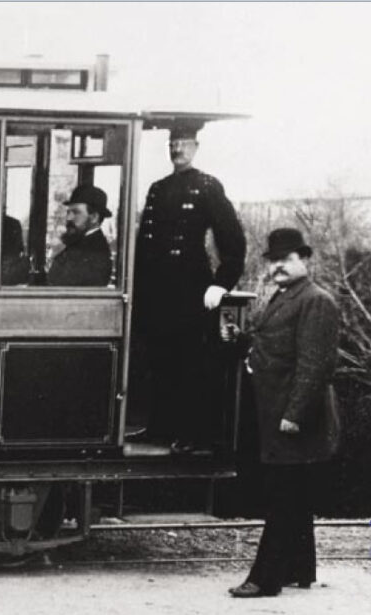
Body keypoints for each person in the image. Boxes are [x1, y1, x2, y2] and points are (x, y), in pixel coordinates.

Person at [223, 228, 340, 598]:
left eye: (286, 260)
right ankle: (298, 569)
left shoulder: (316, 301)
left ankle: (265, 578)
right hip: (278, 410)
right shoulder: (287, 297)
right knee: (296, 495)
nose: (278, 267)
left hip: (293, 415)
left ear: (304, 260)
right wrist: (243, 342)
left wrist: (294, 414)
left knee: (283, 496)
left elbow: (314, 365)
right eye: (274, 261)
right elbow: (274, 345)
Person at [130, 122, 247, 453]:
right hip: (156, 291)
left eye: (183, 143)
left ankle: (193, 433)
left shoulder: (207, 186)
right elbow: (144, 245)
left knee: (189, 364)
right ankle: (160, 427)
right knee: (159, 361)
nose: (177, 149)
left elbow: (233, 243)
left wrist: (220, 284)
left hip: (189, 291)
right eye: (172, 143)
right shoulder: (157, 188)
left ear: (196, 146)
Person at [47, 184, 113, 286]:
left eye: (75, 212)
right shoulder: (78, 242)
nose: (68, 218)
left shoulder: (95, 251)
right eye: (68, 212)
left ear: (94, 217)